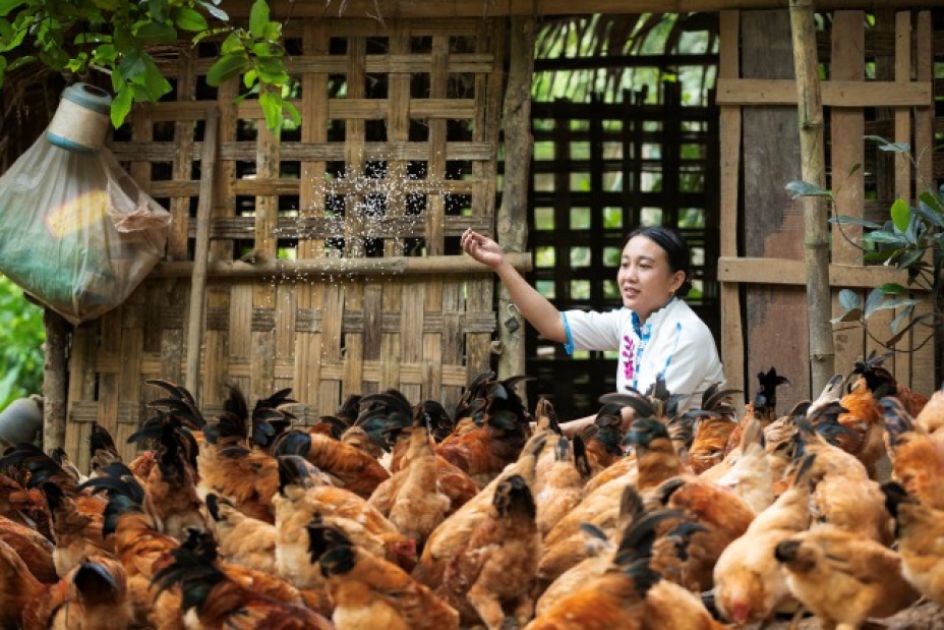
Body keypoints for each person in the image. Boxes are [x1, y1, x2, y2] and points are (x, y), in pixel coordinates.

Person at [460, 225, 725, 434]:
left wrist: (551, 431)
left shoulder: (687, 334)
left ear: (675, 280)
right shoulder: (629, 321)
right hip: (644, 445)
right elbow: (552, 324)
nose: (629, 275)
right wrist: (500, 264)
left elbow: (642, 412)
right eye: (625, 264)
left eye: (643, 266)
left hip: (695, 456)